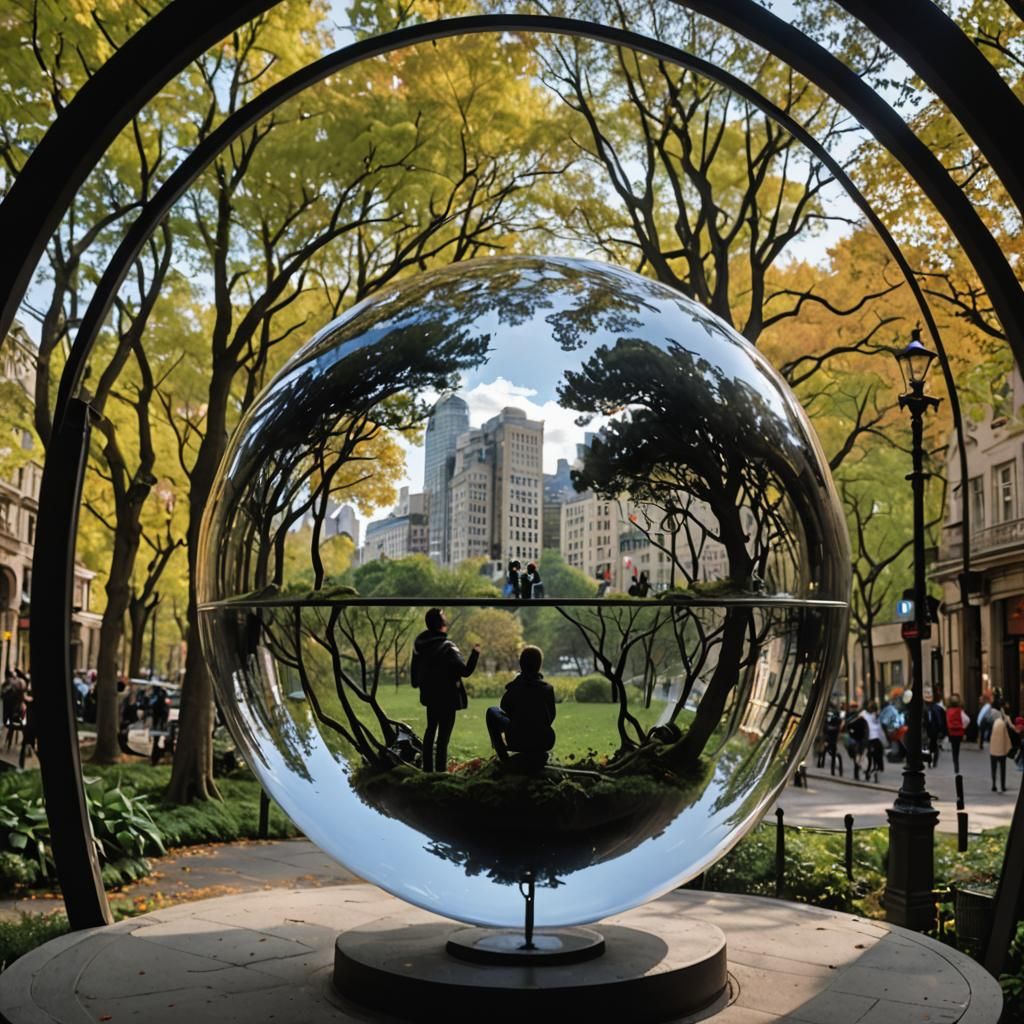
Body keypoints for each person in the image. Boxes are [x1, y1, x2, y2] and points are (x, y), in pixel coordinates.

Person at [410, 608, 479, 772]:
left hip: (430, 697)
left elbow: (414, 678)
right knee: (443, 737)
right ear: (441, 625)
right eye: (444, 619)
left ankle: (427, 770)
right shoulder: (448, 648)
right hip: (448, 698)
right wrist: (475, 653)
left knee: (430, 730)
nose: (447, 621)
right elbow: (466, 671)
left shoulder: (419, 647)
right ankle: (440, 772)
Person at [486, 645, 555, 764]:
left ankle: (504, 758)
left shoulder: (514, 688)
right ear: (539, 665)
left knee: (492, 711)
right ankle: (537, 754)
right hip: (544, 740)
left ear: (521, 664)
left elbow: (504, 708)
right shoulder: (547, 689)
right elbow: (551, 716)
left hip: (517, 739)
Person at [989, 699, 1016, 792]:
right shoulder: (1004, 718)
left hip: (993, 744)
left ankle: (994, 785)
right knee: (1002, 767)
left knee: (994, 766)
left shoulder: (992, 715)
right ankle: (1002, 785)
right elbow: (1011, 728)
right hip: (1002, 745)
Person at [859, 701, 885, 780]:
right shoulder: (865, 715)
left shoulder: (874, 715)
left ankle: (873, 770)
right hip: (871, 739)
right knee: (872, 756)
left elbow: (879, 728)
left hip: (872, 738)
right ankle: (873, 769)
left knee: (874, 755)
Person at [946, 693, 968, 774]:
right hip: (959, 732)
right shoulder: (960, 710)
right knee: (957, 749)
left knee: (953, 749)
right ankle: (957, 764)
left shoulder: (948, 711)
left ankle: (955, 764)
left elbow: (947, 722)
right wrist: (963, 727)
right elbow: (966, 720)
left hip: (952, 732)